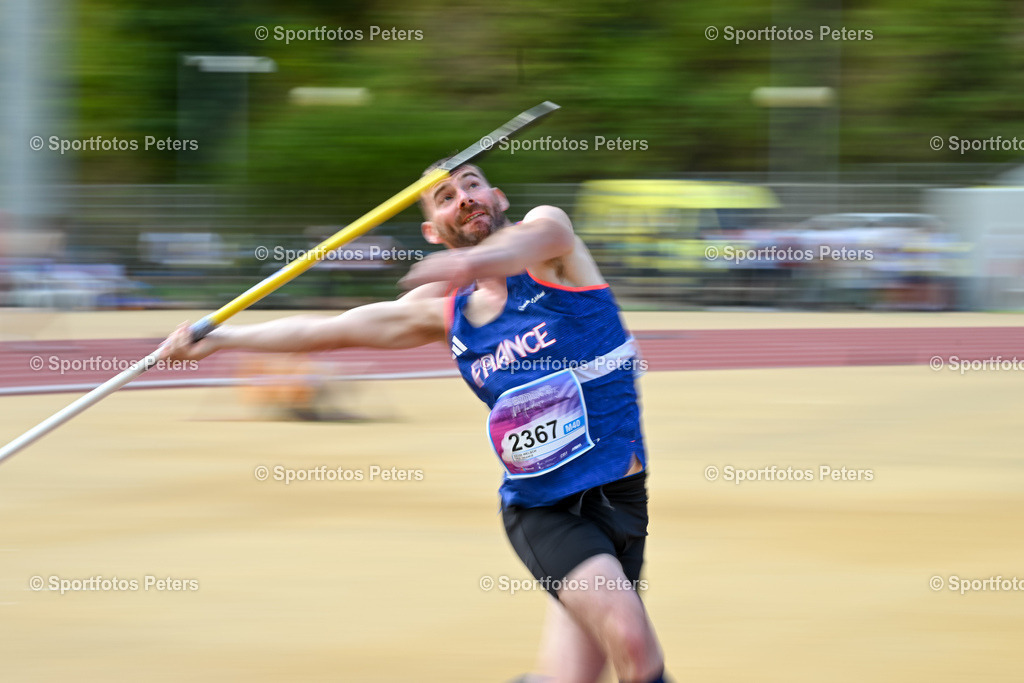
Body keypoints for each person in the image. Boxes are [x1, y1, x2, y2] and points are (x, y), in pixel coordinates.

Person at [160, 161, 668, 683]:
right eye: (445, 197)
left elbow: (529, 242)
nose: (464, 198)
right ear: (432, 230)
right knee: (633, 645)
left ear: (499, 198)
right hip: (544, 509)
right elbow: (330, 330)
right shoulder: (444, 313)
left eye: (472, 186)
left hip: (621, 498)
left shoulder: (552, 251)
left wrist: (466, 265)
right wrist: (221, 339)